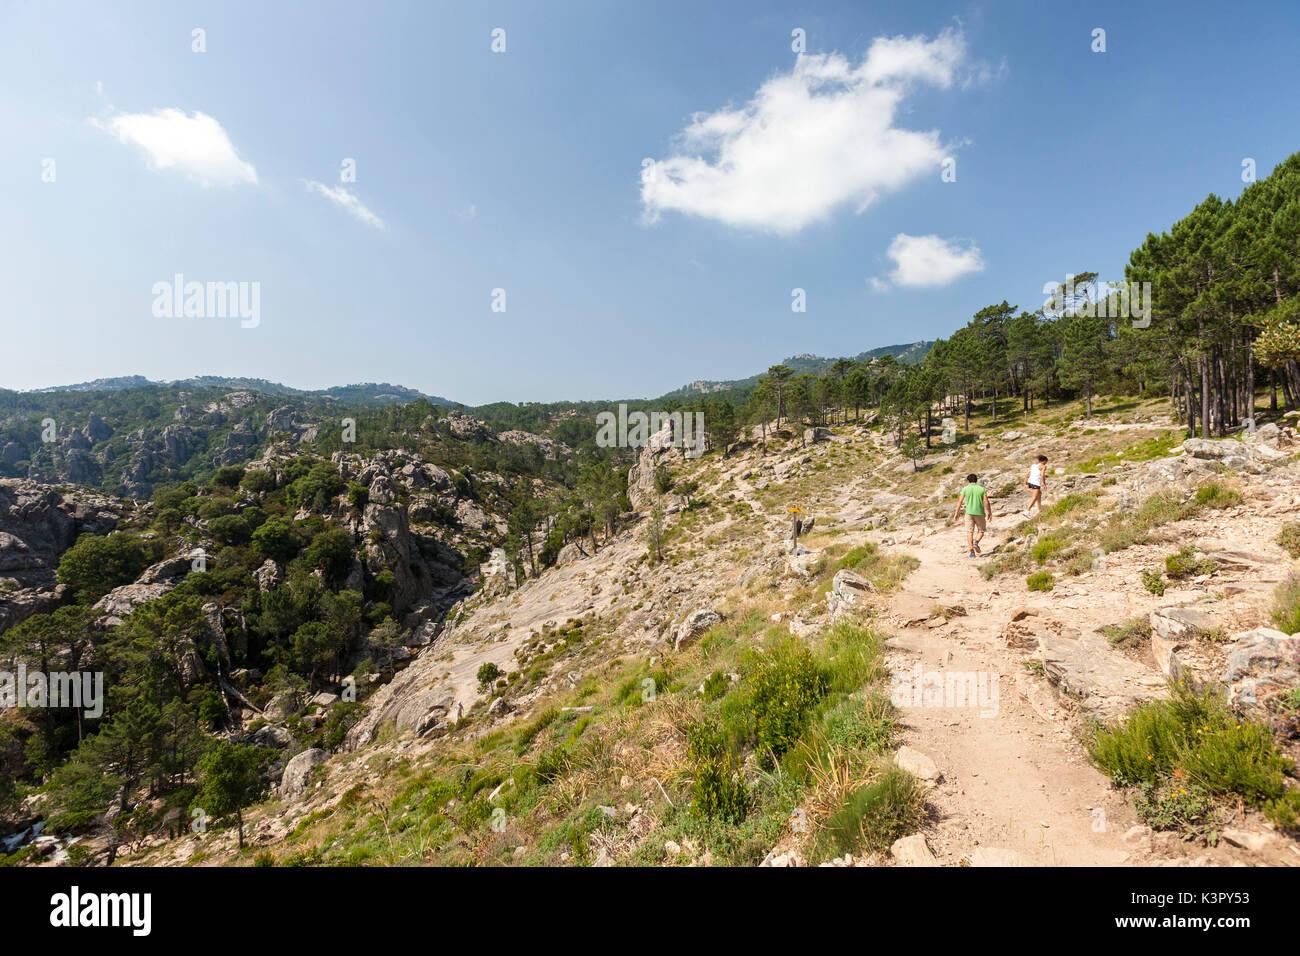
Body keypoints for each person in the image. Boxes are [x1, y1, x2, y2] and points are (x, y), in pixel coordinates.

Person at [951, 473, 992, 557]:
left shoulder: (965, 489)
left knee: (970, 532)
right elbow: (986, 502)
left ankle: (972, 552)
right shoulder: (982, 489)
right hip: (979, 513)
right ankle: (976, 543)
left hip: (968, 513)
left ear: (968, 481)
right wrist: (989, 512)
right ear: (976, 480)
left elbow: (960, 501)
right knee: (981, 531)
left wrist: (956, 513)